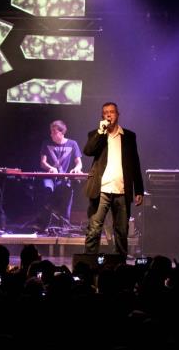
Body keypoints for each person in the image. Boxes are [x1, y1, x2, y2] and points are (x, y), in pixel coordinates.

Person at [83, 102, 144, 256]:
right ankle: (89, 263)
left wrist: (139, 190)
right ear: (102, 116)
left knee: (121, 231)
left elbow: (135, 163)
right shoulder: (96, 134)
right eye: (105, 112)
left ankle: (120, 264)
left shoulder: (129, 136)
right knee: (94, 229)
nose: (109, 114)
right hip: (101, 189)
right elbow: (88, 151)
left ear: (118, 114)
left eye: (112, 112)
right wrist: (100, 132)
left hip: (121, 190)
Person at [39, 119, 83, 227]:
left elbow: (79, 163)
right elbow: (43, 163)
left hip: (63, 179)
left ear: (62, 132)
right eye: (51, 132)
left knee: (68, 190)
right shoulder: (46, 143)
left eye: (54, 132)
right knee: (47, 189)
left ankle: (65, 224)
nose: (51, 134)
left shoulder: (72, 144)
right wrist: (50, 168)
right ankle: (44, 224)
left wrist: (77, 168)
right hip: (49, 177)